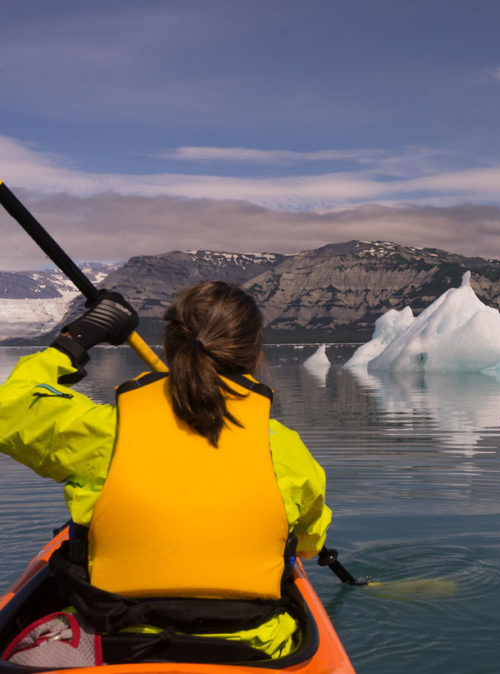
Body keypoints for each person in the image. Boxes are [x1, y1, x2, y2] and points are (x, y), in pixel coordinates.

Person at [0, 282, 331, 660]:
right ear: (255, 356)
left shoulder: (106, 434)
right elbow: (308, 545)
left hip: (114, 641)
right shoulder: (288, 451)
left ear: (170, 347)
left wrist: (79, 337)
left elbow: (9, 408)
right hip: (255, 647)